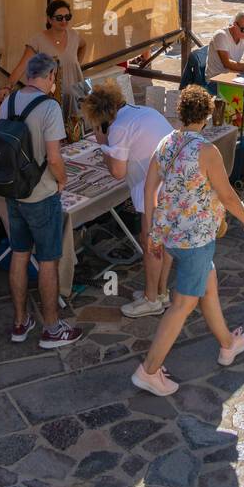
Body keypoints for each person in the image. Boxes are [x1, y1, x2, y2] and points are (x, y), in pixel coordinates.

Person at [131, 85, 244, 397]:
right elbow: (227, 195)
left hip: (170, 237)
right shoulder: (207, 152)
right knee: (182, 304)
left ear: (180, 113)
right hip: (195, 240)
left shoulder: (166, 143)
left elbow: (149, 191)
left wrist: (150, 233)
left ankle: (228, 343)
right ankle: (148, 370)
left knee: (207, 286)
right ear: (206, 116)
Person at [0, 53, 82, 349]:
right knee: (47, 260)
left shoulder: (8, 101)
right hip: (41, 194)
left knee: (19, 254)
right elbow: (54, 158)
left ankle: (20, 322)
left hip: (13, 191)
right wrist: (62, 180)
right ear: (49, 76)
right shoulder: (49, 107)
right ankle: (51, 327)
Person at [80, 81, 174, 318]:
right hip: (173, 181)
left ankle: (151, 300)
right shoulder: (143, 112)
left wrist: (103, 144)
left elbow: (118, 172)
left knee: (150, 244)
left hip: (155, 189)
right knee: (161, 245)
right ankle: (160, 293)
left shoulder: (119, 127)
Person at [7, 0, 86, 117]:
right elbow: (21, 67)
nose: (64, 20)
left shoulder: (74, 36)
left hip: (78, 93)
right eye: (59, 18)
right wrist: (7, 87)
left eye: (67, 17)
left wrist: (76, 66)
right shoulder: (38, 41)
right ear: (49, 19)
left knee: (80, 131)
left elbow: (83, 45)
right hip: (52, 98)